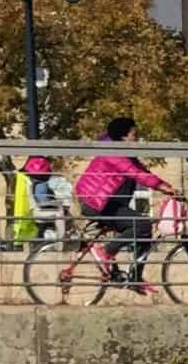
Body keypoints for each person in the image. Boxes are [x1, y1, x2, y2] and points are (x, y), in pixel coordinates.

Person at [72, 117, 172, 285]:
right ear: (123, 137)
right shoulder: (113, 152)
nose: (138, 138)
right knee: (142, 224)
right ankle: (106, 251)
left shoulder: (124, 152)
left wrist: (167, 186)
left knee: (144, 232)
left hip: (108, 202)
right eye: (135, 134)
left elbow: (142, 171)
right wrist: (162, 187)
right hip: (96, 203)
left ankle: (135, 278)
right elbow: (134, 173)